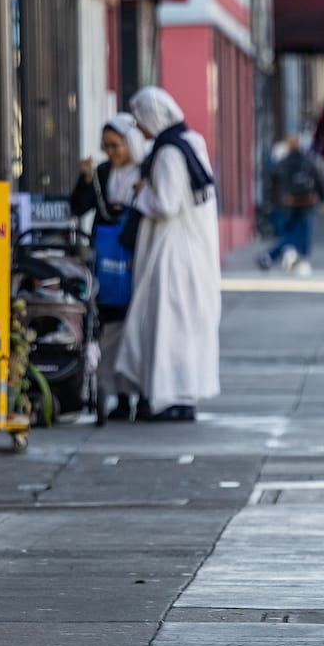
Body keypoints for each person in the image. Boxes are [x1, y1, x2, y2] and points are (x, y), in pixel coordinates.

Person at [112, 87, 222, 423]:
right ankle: (172, 394)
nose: (140, 128)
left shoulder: (168, 154)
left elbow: (166, 204)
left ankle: (165, 395)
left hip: (171, 254)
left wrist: (141, 193)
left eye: (141, 119)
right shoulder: (190, 143)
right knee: (179, 327)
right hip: (189, 252)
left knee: (165, 326)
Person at [73, 116, 146, 420]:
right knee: (110, 330)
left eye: (116, 145)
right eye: (106, 147)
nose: (111, 152)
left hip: (137, 258)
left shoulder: (146, 171)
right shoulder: (103, 172)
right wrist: (86, 180)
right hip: (107, 259)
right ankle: (117, 396)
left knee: (139, 331)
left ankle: (142, 395)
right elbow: (78, 207)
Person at [259, 133, 324, 275]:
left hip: (288, 204)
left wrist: (270, 202)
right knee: (303, 234)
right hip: (306, 203)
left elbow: (271, 182)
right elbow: (319, 180)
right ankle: (296, 259)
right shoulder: (307, 161)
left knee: (289, 234)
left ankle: (274, 256)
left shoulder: (283, 162)